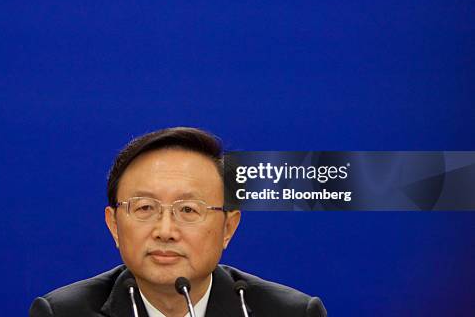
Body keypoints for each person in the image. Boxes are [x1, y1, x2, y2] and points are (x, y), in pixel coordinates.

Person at [29, 127, 327, 317]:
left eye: (188, 210)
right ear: (114, 225)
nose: (166, 231)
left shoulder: (291, 313)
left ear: (228, 228)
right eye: (145, 207)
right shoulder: (62, 313)